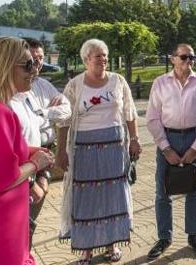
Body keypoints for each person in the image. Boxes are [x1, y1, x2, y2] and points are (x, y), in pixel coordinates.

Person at [55, 39, 141, 264]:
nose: (103, 59)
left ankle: (112, 243)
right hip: (84, 150)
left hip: (114, 148)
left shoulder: (118, 81)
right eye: (97, 56)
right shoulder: (74, 85)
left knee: (113, 195)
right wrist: (61, 151)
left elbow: (129, 113)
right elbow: (63, 120)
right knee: (87, 197)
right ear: (86, 60)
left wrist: (135, 140)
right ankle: (86, 248)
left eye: (105, 55)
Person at [0, 36, 54, 265]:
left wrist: (29, 151)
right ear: (3, 67)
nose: (34, 70)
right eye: (27, 65)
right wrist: (35, 164)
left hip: (4, 225)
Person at [146, 43, 196, 260]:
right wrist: (165, 148)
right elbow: (152, 118)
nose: (189, 61)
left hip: (194, 137)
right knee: (163, 191)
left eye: (192, 57)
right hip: (169, 137)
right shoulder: (160, 83)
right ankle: (164, 237)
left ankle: (194, 236)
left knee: (194, 190)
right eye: (184, 57)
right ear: (173, 58)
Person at [9, 37, 71, 247]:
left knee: (29, 222)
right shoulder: (6, 100)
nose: (36, 66)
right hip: (20, 169)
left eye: (39, 59)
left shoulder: (42, 87)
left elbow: (67, 111)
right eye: (29, 62)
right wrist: (32, 181)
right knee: (17, 227)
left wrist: (42, 113)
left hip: (41, 156)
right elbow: (7, 158)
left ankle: (25, 253)